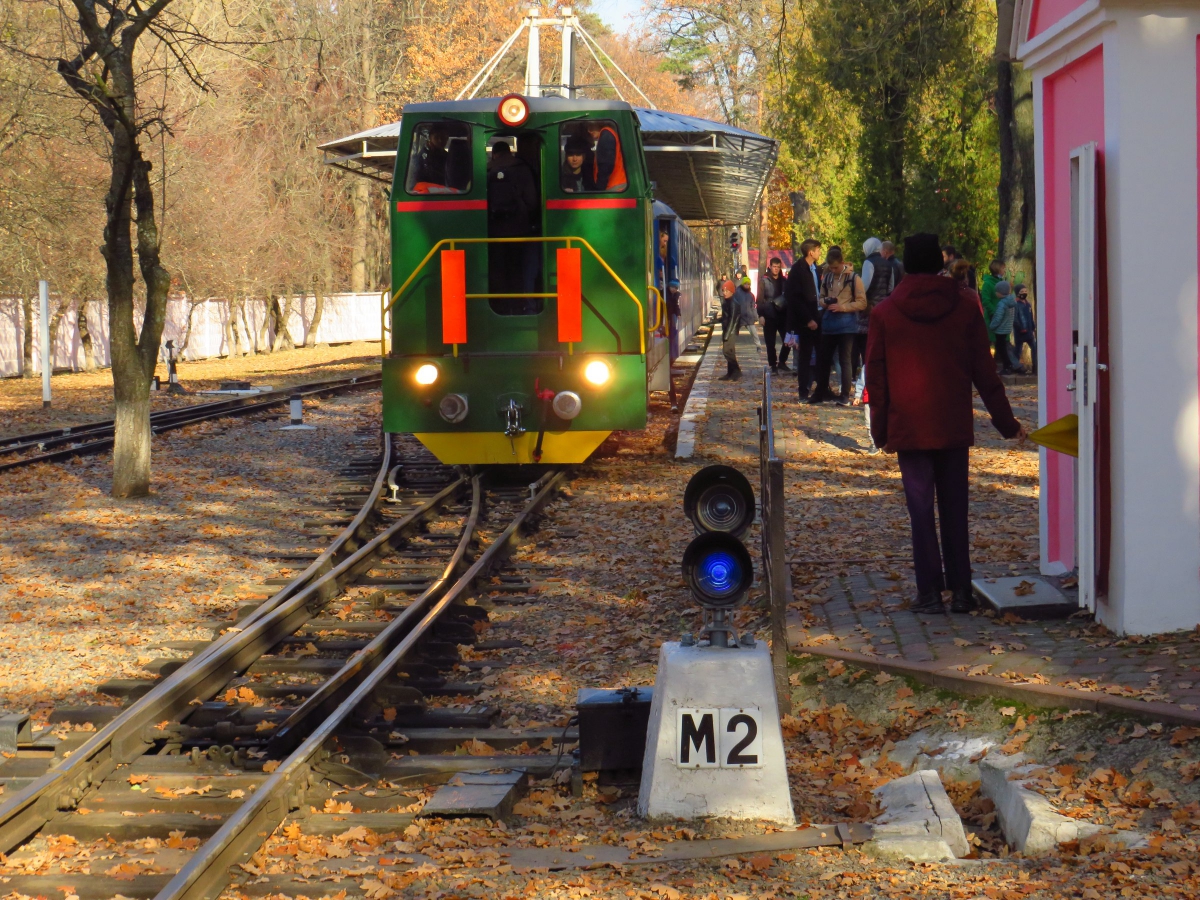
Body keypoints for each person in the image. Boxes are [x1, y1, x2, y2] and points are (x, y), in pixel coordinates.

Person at [865, 233, 1026, 615]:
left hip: (910, 426)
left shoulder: (885, 313)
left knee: (920, 512)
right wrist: (1007, 423)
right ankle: (963, 591)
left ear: (905, 263)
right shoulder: (966, 306)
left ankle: (929, 593)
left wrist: (880, 431)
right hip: (952, 423)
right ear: (939, 262)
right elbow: (985, 372)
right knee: (955, 509)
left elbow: (877, 376)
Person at [487, 141, 539, 313]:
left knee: (497, 269)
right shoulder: (522, 168)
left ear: (494, 154)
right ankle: (518, 306)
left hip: (493, 232)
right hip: (519, 230)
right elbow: (532, 202)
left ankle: (498, 306)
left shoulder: (486, 170)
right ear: (509, 152)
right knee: (517, 269)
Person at [810, 246, 865, 407]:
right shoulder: (827, 278)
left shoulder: (854, 278)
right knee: (823, 359)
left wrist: (843, 307)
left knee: (845, 360)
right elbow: (820, 297)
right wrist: (825, 302)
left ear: (842, 263)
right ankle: (820, 391)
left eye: (835, 267)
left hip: (847, 325)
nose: (833, 270)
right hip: (829, 323)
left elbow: (862, 302)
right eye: (830, 267)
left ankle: (844, 395)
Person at [784, 239, 823, 401]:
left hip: (818, 316)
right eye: (818, 250)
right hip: (805, 321)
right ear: (810, 252)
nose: (820, 252)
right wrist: (808, 319)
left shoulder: (815, 269)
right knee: (805, 357)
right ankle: (803, 392)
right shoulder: (798, 270)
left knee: (822, 355)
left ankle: (821, 390)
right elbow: (795, 298)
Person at [757, 257, 790, 373]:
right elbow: (759, 299)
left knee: (788, 339)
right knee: (770, 343)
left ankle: (782, 361)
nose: (776, 269)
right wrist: (760, 315)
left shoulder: (784, 281)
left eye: (778, 267)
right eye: (774, 267)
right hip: (769, 314)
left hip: (782, 314)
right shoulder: (764, 280)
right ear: (770, 267)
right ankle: (773, 365)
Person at [586, 121, 627, 191]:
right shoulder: (609, 134)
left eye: (591, 126)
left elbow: (606, 164)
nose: (589, 130)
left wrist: (599, 188)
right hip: (617, 184)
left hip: (613, 187)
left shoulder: (606, 135)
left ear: (599, 123)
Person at [989, 281, 1017, 374]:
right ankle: (1009, 365)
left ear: (1001, 292)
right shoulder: (1011, 302)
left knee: (1001, 349)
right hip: (1007, 328)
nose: (995, 293)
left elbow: (998, 317)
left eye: (996, 291)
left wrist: (992, 326)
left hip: (1000, 330)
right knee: (1003, 347)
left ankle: (1007, 366)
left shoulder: (1002, 304)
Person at [719, 279, 742, 380]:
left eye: (726, 291)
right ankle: (730, 372)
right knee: (730, 352)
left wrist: (727, 335)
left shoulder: (734, 303)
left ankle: (736, 370)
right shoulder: (726, 302)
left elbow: (732, 320)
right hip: (727, 329)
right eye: (723, 291)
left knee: (727, 352)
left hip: (731, 331)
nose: (724, 293)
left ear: (732, 291)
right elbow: (725, 317)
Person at [980, 260, 1005, 342]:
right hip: (993, 319)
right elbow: (986, 301)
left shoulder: (1003, 283)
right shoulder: (988, 284)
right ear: (998, 269)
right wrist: (996, 314)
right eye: (1003, 268)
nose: (1004, 270)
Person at [1013, 284, 1036, 374]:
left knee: (1034, 348)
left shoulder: (1028, 304)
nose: (1024, 293)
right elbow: (1015, 319)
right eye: (1022, 292)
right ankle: (1016, 368)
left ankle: (1035, 367)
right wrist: (1020, 328)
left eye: (1025, 291)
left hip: (1029, 331)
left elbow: (1031, 317)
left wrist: (1033, 328)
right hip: (1020, 333)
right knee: (1018, 350)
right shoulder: (1015, 304)